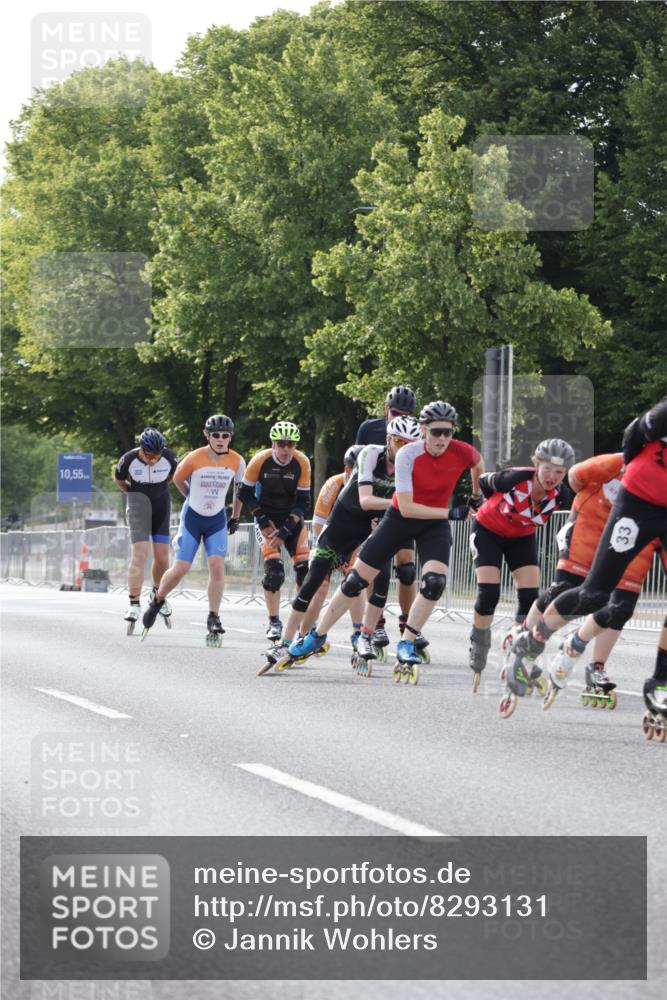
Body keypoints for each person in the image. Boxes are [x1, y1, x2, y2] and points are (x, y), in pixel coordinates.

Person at [289, 401, 484, 680]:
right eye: (435, 432)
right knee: (356, 581)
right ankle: (317, 635)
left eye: (448, 432)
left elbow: (478, 464)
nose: (442, 439)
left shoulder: (462, 451)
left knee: (434, 583)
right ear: (423, 431)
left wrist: (476, 494)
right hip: (401, 517)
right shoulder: (407, 454)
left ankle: (407, 641)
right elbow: (406, 506)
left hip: (434, 525)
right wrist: (450, 512)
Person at [508, 397, 667, 724]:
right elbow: (631, 435)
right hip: (639, 502)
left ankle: (660, 680)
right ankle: (532, 640)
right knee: (593, 594)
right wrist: (628, 467)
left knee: (620, 607)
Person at [260, 417, 421, 675]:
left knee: (378, 577)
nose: (405, 450)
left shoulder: (412, 465)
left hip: (372, 526)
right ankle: (286, 641)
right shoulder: (371, 454)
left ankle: (364, 634)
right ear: (389, 440)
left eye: (411, 445)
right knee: (312, 582)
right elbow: (366, 500)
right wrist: (401, 504)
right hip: (343, 524)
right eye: (401, 443)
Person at [521, 452, 661, 708]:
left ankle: (587, 657)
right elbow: (576, 477)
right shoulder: (624, 461)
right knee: (568, 589)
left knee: (620, 608)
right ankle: (527, 643)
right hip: (591, 528)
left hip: (641, 533)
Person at [468, 438, 574, 696]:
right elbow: (482, 481)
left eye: (559, 472)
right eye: (547, 469)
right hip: (488, 531)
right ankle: (479, 643)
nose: (552, 477)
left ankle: (519, 648)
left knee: (530, 598)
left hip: (522, 538)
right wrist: (480, 501)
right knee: (489, 594)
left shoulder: (562, 496)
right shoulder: (513, 479)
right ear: (536, 465)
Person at [141, 414, 245, 645]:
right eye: (215, 435)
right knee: (181, 569)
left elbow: (240, 490)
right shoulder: (194, 457)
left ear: (230, 437)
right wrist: (190, 496)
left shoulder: (237, 461)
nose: (220, 439)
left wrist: (236, 517)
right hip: (193, 518)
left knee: (217, 567)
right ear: (207, 436)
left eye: (225, 435)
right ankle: (157, 600)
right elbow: (178, 479)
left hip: (216, 519)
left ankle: (213, 616)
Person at [356, 384, 419, 644]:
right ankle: (377, 623)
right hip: (374, 501)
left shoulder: (416, 433)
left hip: (401, 504)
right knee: (376, 567)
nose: (399, 417)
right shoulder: (369, 429)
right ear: (386, 409)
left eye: (405, 413)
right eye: (395, 412)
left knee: (407, 569)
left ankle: (408, 622)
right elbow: (357, 467)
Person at [238, 421, 311, 640]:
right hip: (266, 519)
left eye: (291, 444)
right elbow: (244, 493)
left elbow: (304, 501)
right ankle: (274, 622)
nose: (286, 449)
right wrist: (262, 520)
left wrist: (286, 529)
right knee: (274, 573)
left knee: (304, 572)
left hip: (291, 520)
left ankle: (301, 622)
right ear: (273, 444)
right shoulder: (260, 460)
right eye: (281, 444)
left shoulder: (302, 462)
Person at [113, 428, 178, 632]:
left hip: (161, 506)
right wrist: (134, 493)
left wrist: (157, 489)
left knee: (162, 557)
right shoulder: (128, 459)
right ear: (141, 450)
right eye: (149, 456)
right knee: (139, 554)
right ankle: (134, 602)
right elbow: (119, 480)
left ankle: (157, 594)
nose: (153, 460)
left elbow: (173, 476)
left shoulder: (170, 458)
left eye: (157, 456)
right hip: (138, 506)